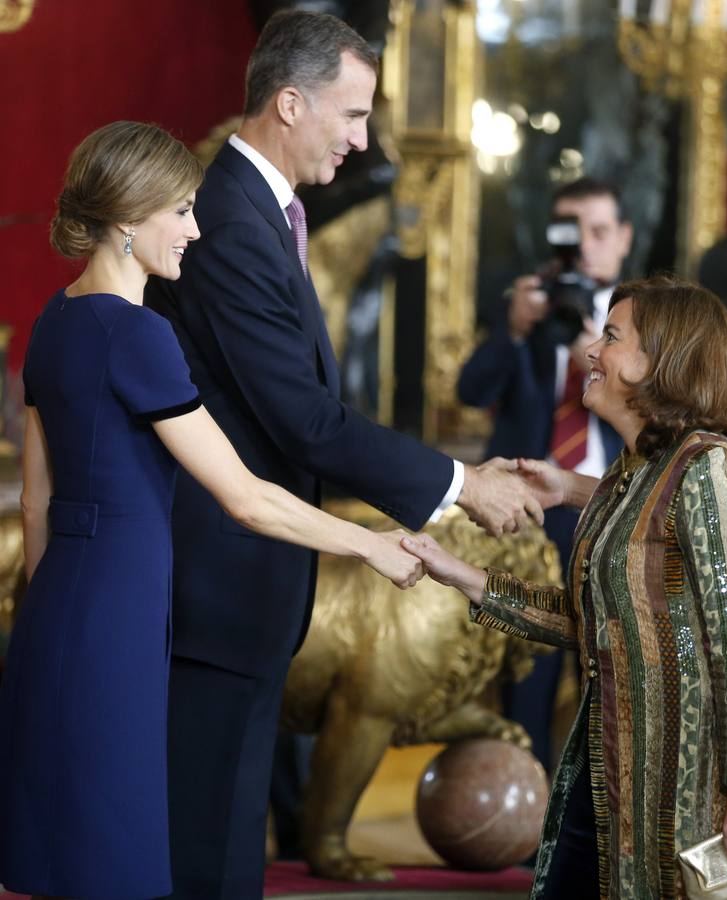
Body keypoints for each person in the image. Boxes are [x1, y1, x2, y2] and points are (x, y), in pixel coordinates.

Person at [143, 10, 543, 897]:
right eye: (353, 114)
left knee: (226, 844)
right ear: (290, 103)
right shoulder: (228, 218)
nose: (362, 141)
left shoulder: (260, 210)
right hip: (215, 580)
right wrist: (459, 483)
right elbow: (304, 421)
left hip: (245, 580)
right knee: (202, 849)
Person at [0, 120, 427, 900]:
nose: (195, 231)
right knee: (116, 849)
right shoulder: (140, 335)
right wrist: (369, 545)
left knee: (68, 842)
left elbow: (36, 500)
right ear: (128, 218)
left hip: (55, 607)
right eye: (181, 211)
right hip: (122, 613)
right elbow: (246, 497)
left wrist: (53, 611)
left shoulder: (55, 319)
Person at [404, 277, 727, 899]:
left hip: (688, 783)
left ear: (659, 361)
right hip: (609, 761)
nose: (591, 350)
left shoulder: (709, 466)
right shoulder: (629, 475)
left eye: (611, 336)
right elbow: (599, 619)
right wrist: (462, 575)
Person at [457, 177, 630, 771]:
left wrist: (597, 351)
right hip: (530, 516)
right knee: (528, 674)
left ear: (624, 239)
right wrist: (513, 328)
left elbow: (662, 419)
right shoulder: (525, 306)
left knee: (611, 684)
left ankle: (598, 809)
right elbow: (470, 390)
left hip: (611, 510)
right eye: (571, 231)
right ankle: (529, 806)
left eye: (599, 231)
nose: (585, 245)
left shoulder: (643, 325)